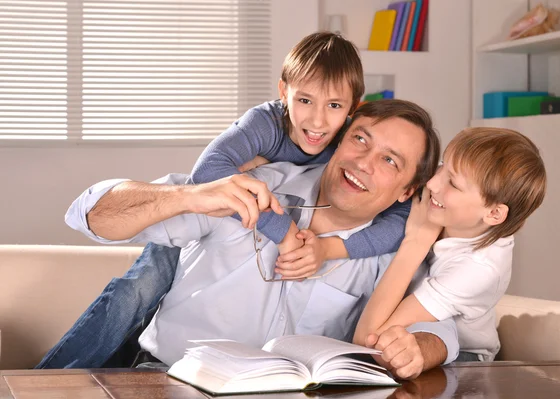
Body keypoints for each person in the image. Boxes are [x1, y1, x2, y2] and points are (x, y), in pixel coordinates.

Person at [36, 32, 422, 369]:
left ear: (352, 108)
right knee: (136, 291)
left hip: (281, 382)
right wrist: (278, 229)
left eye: (334, 107)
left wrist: (330, 249)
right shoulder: (261, 132)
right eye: (305, 100)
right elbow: (201, 175)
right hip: (179, 356)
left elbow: (416, 209)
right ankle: (46, 381)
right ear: (283, 92)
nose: (318, 122)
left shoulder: (361, 169)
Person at [354, 127, 547, 363]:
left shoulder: (479, 268)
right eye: (443, 165)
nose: (433, 183)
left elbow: (368, 342)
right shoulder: (451, 212)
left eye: (453, 183)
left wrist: (417, 242)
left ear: (494, 213)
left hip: (463, 361)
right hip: (407, 323)